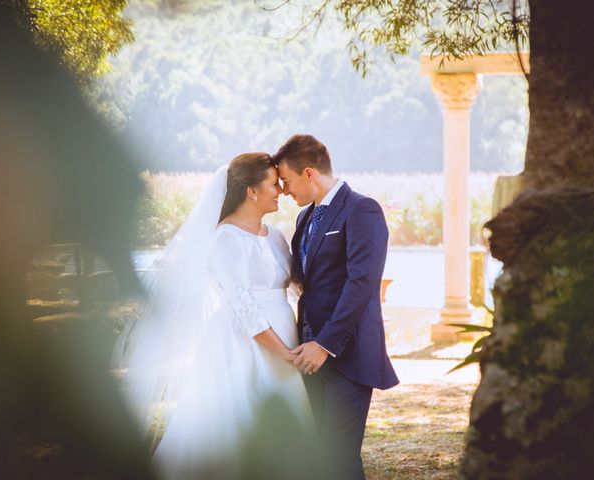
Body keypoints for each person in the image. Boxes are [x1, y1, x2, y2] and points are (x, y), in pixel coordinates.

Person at [113, 153, 311, 479]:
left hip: (285, 341)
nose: (281, 190)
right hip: (247, 345)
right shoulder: (226, 239)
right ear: (251, 191)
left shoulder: (274, 235)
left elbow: (295, 285)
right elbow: (243, 305)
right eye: (273, 183)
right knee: (239, 425)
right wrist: (285, 354)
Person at [273, 134, 400, 480]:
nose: (284, 191)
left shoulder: (362, 210)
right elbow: (309, 281)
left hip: (348, 355)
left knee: (338, 458)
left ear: (309, 172)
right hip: (309, 357)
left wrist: (325, 344)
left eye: (286, 181)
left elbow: (361, 284)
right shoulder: (304, 219)